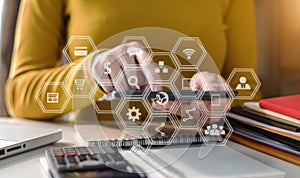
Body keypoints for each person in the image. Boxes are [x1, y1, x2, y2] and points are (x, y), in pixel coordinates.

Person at [5, 0, 260, 120]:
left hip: (206, 157)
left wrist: (218, 100)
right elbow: (21, 94)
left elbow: (248, 92)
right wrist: (92, 73)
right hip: (100, 160)